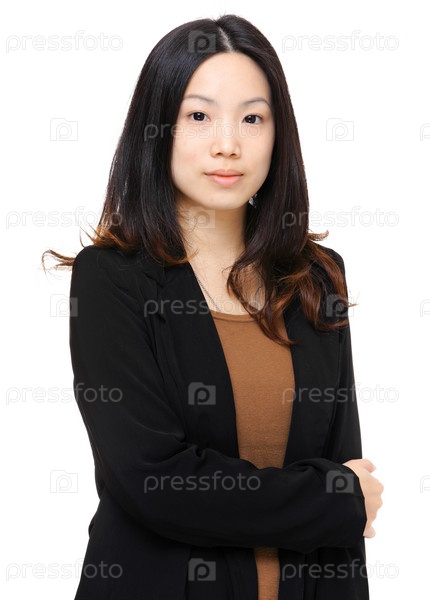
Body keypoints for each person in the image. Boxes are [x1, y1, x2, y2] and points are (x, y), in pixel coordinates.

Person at [43, 14, 383, 600]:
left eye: (252, 118)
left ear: (278, 135)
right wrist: (331, 500)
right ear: (157, 129)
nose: (228, 144)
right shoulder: (111, 280)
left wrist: (341, 501)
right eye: (199, 116)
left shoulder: (316, 274)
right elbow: (154, 482)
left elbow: (343, 477)